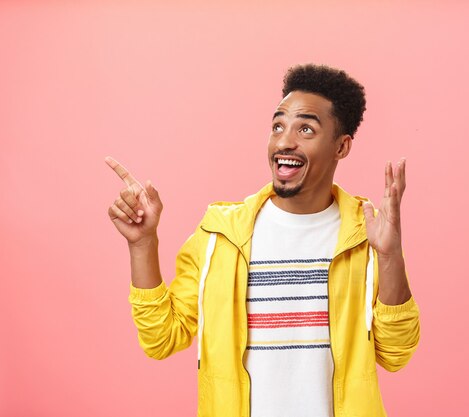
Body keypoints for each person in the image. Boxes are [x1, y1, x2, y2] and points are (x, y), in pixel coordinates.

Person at [106, 64, 420, 417]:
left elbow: (396, 353)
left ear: (341, 146)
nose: (285, 141)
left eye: (306, 128)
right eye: (278, 126)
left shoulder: (365, 235)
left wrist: (391, 256)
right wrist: (142, 244)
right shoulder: (221, 235)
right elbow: (161, 337)